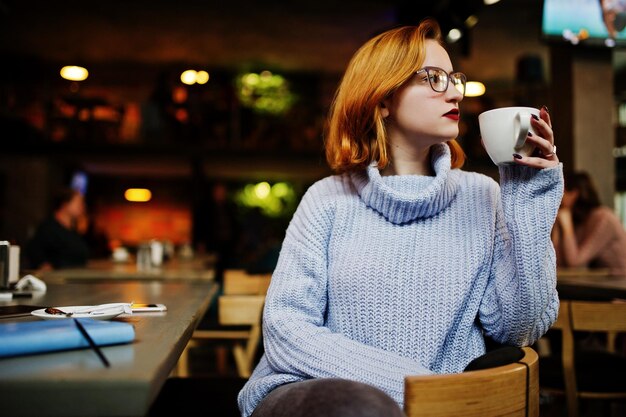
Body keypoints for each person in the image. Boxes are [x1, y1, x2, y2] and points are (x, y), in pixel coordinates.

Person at [237, 19, 563, 417]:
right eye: (433, 78)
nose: (455, 91)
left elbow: (517, 329)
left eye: (453, 78)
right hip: (322, 393)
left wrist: (529, 198)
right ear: (383, 98)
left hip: (446, 404)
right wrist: (414, 388)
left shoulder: (484, 195)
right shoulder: (327, 200)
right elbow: (287, 331)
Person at [551, 170, 626, 276]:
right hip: (600, 280)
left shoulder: (605, 218)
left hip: (620, 284)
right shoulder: (579, 219)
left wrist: (567, 228)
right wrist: (558, 229)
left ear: (574, 194)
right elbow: (559, 264)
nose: (555, 198)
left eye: (559, 192)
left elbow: (574, 263)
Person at [24, 187, 90, 270]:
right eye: (79, 203)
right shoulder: (48, 227)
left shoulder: (73, 230)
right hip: (56, 280)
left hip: (74, 278)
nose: (83, 206)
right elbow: (34, 252)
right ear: (65, 204)